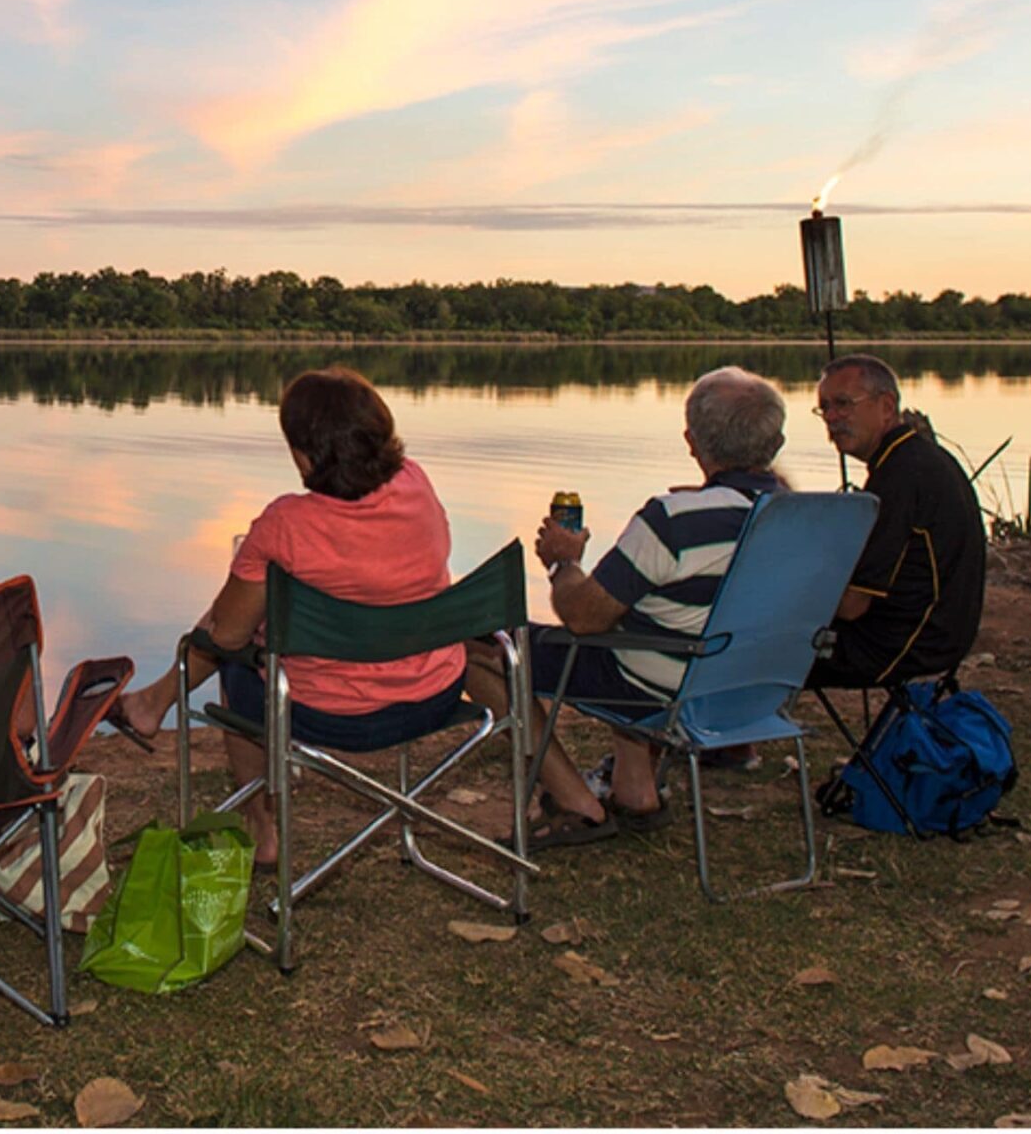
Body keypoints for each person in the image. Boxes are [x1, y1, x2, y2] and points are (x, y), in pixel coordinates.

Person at [115, 367, 467, 869]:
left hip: (327, 715)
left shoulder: (286, 523)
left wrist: (255, 606)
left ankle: (262, 829)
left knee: (236, 655)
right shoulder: (416, 482)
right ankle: (153, 702)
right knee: (257, 612)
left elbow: (228, 634)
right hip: (434, 696)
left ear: (304, 455)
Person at [466, 366, 790, 849]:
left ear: (693, 441)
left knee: (482, 644)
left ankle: (578, 804)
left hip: (663, 689)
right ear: (776, 441)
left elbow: (582, 616)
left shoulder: (674, 519)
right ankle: (636, 794)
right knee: (656, 617)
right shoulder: (800, 515)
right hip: (753, 686)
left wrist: (563, 562)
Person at [804, 353, 987, 689]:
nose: (832, 417)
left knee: (748, 651)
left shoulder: (899, 477)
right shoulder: (919, 457)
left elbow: (851, 605)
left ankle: (725, 741)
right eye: (825, 408)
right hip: (942, 635)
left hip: (905, 646)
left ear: (887, 406)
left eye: (844, 404)